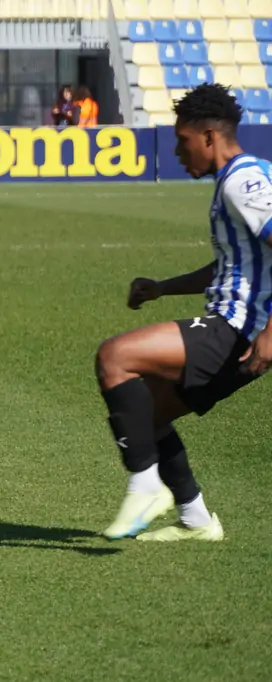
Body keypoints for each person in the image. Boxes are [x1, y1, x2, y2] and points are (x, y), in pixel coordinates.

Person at [95, 83, 272, 542]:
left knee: (114, 357)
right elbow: (233, 265)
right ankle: (197, 521)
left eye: (182, 141)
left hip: (237, 329)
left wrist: (271, 332)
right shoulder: (236, 180)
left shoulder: (242, 179)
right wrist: (163, 289)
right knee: (147, 414)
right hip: (237, 330)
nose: (177, 152)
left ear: (210, 137)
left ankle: (146, 486)